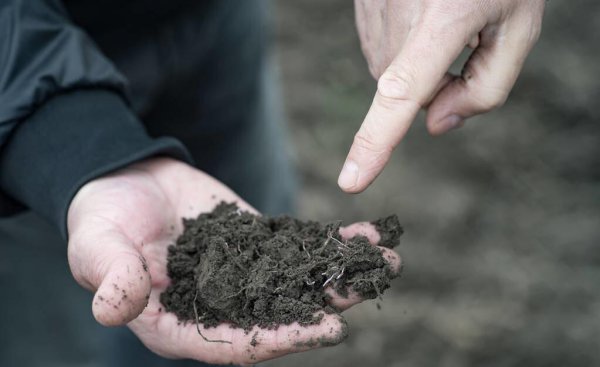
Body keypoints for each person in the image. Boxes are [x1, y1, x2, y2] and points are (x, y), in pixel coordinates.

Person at [0, 0, 544, 365]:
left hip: (209, 22)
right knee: (78, 340)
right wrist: (63, 140)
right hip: (21, 103)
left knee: (255, 217)